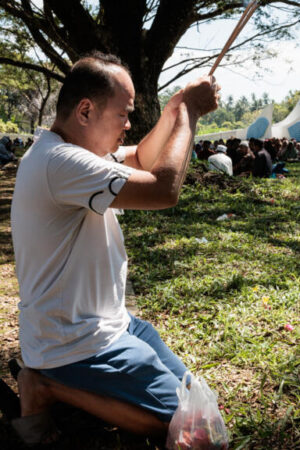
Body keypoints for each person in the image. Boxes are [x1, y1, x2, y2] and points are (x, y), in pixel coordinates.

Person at [10, 51, 220, 445]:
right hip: (73, 343)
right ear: (85, 111)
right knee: (195, 433)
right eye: (123, 114)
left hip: (112, 323)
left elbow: (142, 157)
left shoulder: (69, 151)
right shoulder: (60, 162)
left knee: (199, 408)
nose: (128, 124)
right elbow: (162, 188)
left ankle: (64, 390)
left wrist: (174, 110)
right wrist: (189, 113)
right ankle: (44, 386)